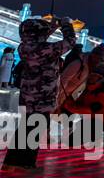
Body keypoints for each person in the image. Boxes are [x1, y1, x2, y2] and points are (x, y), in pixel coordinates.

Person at [2, 16, 75, 170]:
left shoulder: (23, 47)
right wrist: (66, 25)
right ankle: (24, 163)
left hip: (27, 95)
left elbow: (37, 38)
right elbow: (70, 42)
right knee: (35, 129)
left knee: (26, 127)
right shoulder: (47, 49)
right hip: (43, 97)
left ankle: (11, 161)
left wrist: (52, 27)